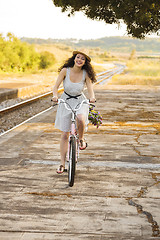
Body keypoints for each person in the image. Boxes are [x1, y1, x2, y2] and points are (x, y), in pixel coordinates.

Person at [52, 50, 96, 174]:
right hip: (65, 100)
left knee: (81, 118)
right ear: (74, 58)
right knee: (65, 134)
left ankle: (81, 139)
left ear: (85, 62)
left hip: (79, 100)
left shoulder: (85, 73)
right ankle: (61, 164)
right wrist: (55, 96)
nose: (79, 60)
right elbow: (55, 87)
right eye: (78, 57)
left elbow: (90, 89)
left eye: (83, 59)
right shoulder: (65, 70)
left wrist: (92, 98)